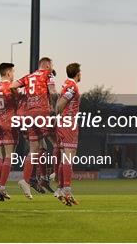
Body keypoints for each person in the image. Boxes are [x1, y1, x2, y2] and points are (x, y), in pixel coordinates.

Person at [10, 57, 57, 199]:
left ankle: (26, 180)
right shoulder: (48, 74)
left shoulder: (29, 76)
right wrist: (54, 108)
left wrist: (20, 98)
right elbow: (54, 92)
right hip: (42, 112)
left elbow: (12, 86)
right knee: (58, 142)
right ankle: (54, 174)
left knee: (34, 149)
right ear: (48, 65)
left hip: (29, 115)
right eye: (51, 66)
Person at [0, 62, 19, 201]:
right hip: (9, 122)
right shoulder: (10, 87)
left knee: (1, 156)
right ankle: (1, 185)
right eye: (13, 72)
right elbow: (19, 101)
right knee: (9, 155)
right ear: (8, 73)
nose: (14, 75)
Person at [55, 63, 82, 206]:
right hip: (68, 124)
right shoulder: (72, 86)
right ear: (77, 73)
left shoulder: (66, 83)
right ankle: (66, 190)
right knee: (68, 157)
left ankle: (60, 189)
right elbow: (59, 105)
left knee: (64, 157)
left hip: (63, 123)